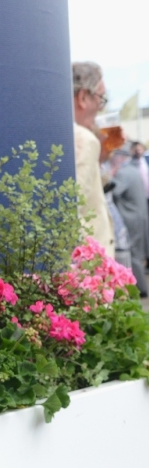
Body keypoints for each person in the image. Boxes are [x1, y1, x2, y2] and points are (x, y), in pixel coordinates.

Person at [72, 62, 115, 255]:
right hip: (92, 268)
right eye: (100, 97)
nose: (101, 106)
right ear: (82, 97)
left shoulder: (62, 135)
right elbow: (74, 208)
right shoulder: (85, 140)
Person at [111, 146, 149, 296]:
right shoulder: (134, 170)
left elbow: (113, 192)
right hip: (139, 215)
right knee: (138, 253)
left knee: (133, 254)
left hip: (130, 218)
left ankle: (140, 289)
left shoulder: (123, 173)